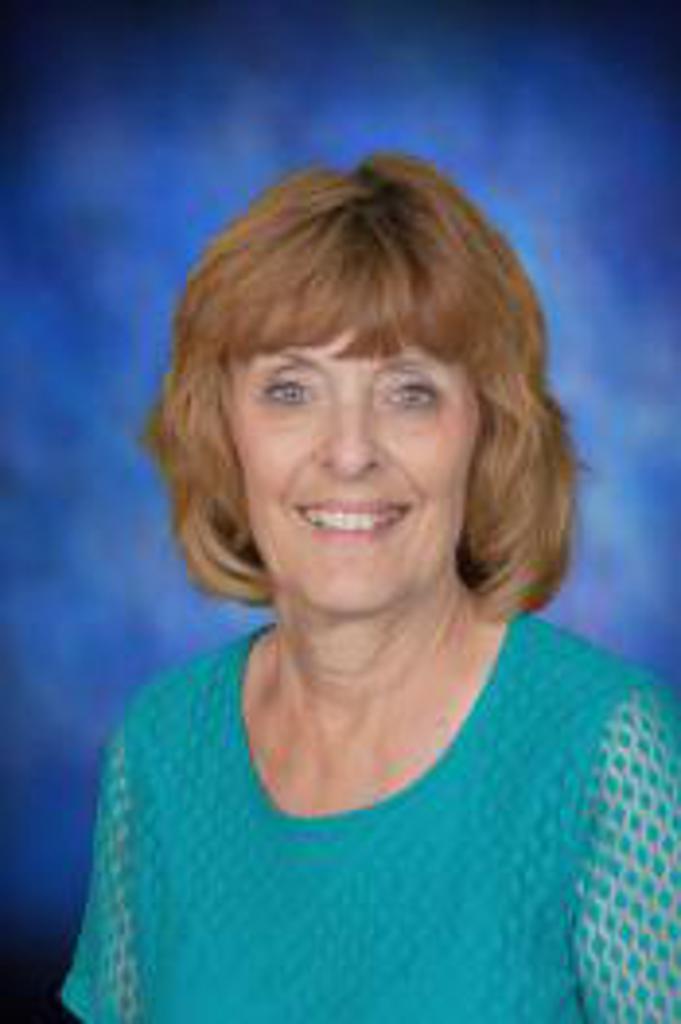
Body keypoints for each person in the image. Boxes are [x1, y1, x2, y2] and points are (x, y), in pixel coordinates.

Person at [61, 153, 680, 1022]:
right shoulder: (160, 749)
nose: (349, 452)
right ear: (220, 428)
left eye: (409, 392)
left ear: (487, 428)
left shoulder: (606, 751)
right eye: (290, 390)